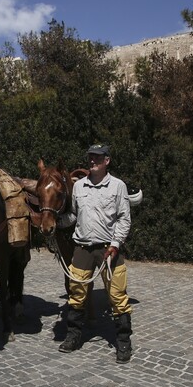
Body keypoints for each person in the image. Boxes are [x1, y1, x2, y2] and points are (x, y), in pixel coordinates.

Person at [58, 144, 133, 364]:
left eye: (98, 158)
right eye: (91, 157)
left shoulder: (118, 186)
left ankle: (123, 342)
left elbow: (124, 219)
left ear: (107, 160)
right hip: (82, 248)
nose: (93, 161)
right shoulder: (79, 186)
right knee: (77, 293)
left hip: (108, 250)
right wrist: (56, 224)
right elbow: (73, 215)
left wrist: (115, 244)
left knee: (117, 296)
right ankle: (73, 336)